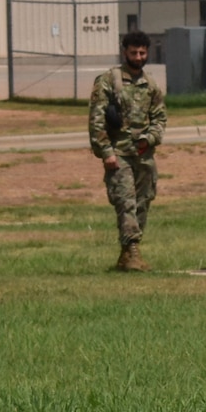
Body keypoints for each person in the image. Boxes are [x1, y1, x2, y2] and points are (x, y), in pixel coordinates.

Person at [88, 30, 168, 272]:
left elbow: (160, 118)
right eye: (134, 52)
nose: (138, 56)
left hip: (143, 154)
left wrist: (150, 138)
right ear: (125, 52)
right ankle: (132, 251)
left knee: (143, 201)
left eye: (142, 52)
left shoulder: (150, 85)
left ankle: (127, 253)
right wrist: (106, 152)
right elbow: (96, 120)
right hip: (119, 153)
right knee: (126, 201)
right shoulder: (108, 81)